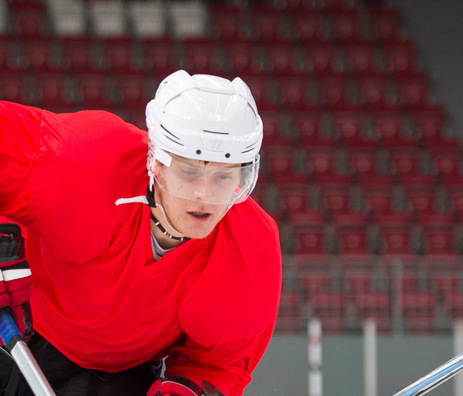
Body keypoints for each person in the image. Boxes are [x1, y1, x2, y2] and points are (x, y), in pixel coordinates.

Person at [0, 70, 282, 396]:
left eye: (223, 177)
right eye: (189, 172)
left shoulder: (250, 254)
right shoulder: (85, 161)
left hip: (118, 373)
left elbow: (219, 363)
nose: (205, 195)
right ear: (157, 163)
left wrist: (187, 389)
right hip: (16, 326)